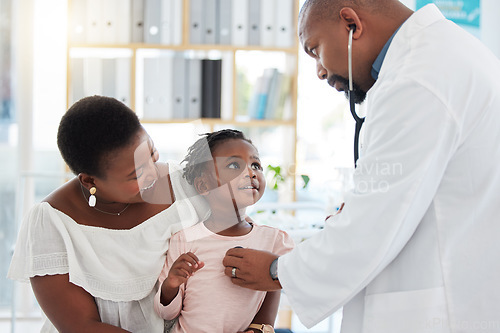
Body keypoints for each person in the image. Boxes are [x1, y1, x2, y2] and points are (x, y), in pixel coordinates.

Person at [222, 1, 500, 332]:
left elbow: (376, 221)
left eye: (315, 49)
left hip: (442, 310)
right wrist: (356, 211)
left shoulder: (418, 76)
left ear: (352, 24)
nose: (320, 71)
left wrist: (276, 271)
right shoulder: (440, 54)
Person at [8, 96, 209, 332]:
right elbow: (80, 326)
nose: (154, 174)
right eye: (136, 174)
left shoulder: (188, 186)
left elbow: (248, 245)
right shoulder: (53, 221)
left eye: (153, 154)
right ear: (90, 181)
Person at [154, 129, 294, 333]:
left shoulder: (275, 240)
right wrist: (171, 285)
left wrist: (260, 330)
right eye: (234, 165)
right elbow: (166, 313)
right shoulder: (184, 240)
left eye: (256, 165)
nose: (251, 172)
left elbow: (287, 288)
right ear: (203, 185)